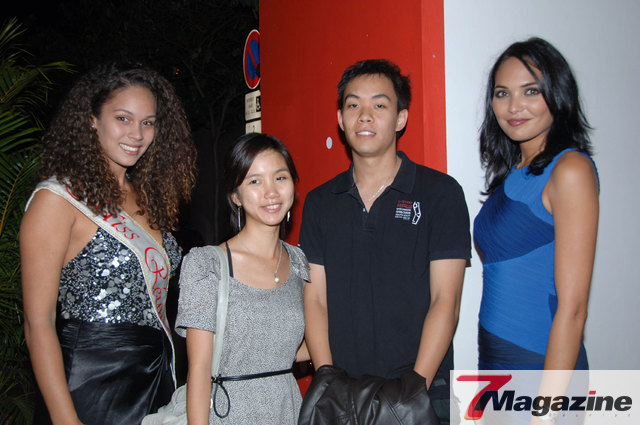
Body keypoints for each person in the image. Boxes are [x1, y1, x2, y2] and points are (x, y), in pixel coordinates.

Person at [20, 63, 197, 425]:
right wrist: (65, 419)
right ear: (92, 120)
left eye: (148, 122)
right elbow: (38, 323)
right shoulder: (57, 199)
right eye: (122, 118)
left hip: (155, 379)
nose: (137, 134)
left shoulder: (148, 197)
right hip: (92, 386)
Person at [299, 59, 471, 424]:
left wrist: (414, 389)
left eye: (379, 105)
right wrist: (326, 377)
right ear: (340, 119)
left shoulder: (441, 193)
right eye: (353, 105)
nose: (364, 116)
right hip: (342, 395)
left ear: (400, 118)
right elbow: (315, 299)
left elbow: (446, 300)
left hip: (422, 392)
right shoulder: (319, 202)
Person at [474, 37, 599, 372]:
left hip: (542, 365)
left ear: (557, 93)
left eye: (530, 91)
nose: (514, 106)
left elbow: (574, 310)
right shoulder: (513, 174)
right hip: (496, 363)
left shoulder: (570, 170)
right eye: (502, 93)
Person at [175, 133, 310, 425]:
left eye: (280, 178)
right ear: (235, 195)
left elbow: (291, 346)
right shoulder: (206, 265)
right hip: (229, 412)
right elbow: (199, 371)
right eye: (255, 181)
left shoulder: (299, 263)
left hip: (288, 410)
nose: (271, 192)